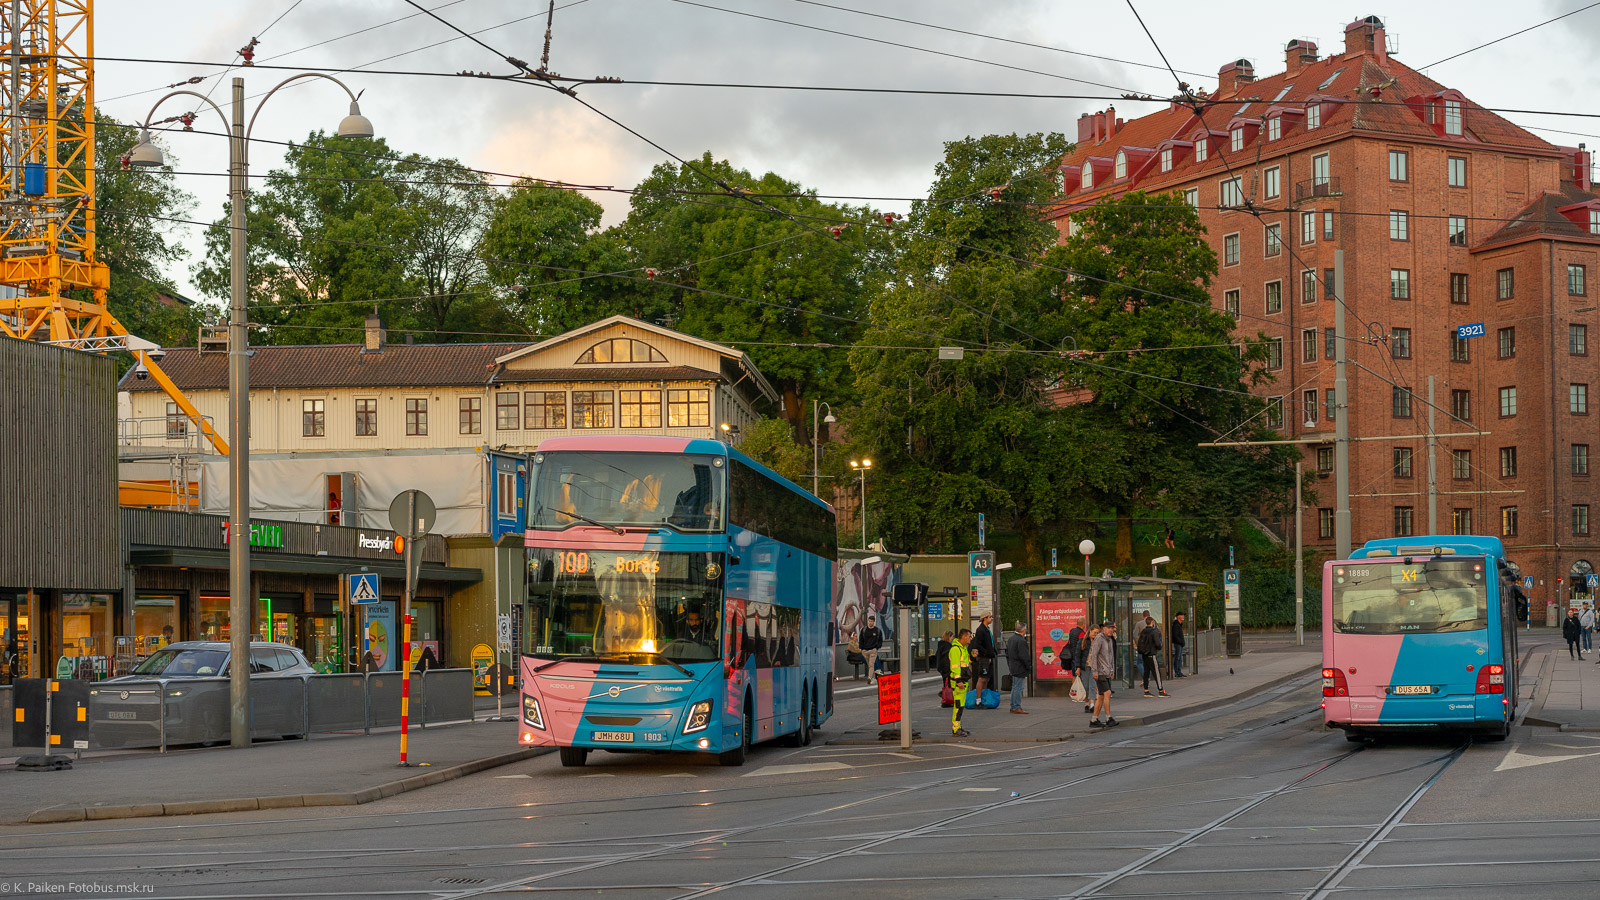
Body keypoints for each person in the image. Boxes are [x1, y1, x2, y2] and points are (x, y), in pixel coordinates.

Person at [1089, 621, 1118, 728]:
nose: (1111, 630)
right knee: (1107, 693)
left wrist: (1112, 670)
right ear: (1104, 629)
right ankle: (1108, 718)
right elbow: (1094, 655)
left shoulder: (1110, 640)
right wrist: (1095, 671)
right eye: (1109, 628)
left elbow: (1111, 656)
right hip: (1100, 672)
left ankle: (1094, 719)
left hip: (1107, 671)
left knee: (1101, 697)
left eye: (1112, 628)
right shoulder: (1099, 639)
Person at [948, 628, 973, 737]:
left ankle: (958, 727)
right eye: (969, 636)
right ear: (964, 637)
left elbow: (966, 662)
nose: (970, 638)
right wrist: (958, 681)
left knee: (961, 706)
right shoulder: (955, 649)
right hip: (959, 682)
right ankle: (955, 728)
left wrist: (973, 656)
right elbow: (955, 667)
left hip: (963, 681)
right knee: (958, 706)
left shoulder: (963, 648)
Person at [1005, 621, 1032, 714]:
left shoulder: (1011, 639)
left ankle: (1013, 705)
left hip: (1013, 666)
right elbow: (1024, 656)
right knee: (1018, 688)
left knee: (1014, 687)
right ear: (1023, 630)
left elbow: (1007, 654)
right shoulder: (1021, 641)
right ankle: (1016, 706)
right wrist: (1028, 666)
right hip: (1020, 667)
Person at [1137, 615, 1168, 697]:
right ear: (1152, 622)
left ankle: (1146, 690)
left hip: (1144, 654)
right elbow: (1157, 643)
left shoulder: (1143, 631)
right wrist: (1159, 648)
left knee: (1146, 672)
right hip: (1151, 653)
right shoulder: (1154, 631)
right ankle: (1161, 690)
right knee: (1156, 672)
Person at [1070, 623, 1097, 713]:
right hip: (1084, 667)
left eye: (1097, 633)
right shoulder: (1083, 641)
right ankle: (1086, 704)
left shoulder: (1098, 641)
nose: (1095, 635)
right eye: (1094, 632)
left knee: (1093, 685)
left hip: (1094, 667)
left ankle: (1092, 704)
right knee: (1085, 686)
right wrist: (1077, 667)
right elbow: (1077, 655)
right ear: (1090, 631)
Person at [971, 614, 997, 699]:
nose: (991, 618)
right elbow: (978, 645)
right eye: (990, 617)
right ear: (985, 618)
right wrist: (986, 652)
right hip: (984, 658)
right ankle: (978, 699)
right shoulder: (980, 630)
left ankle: (984, 697)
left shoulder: (987, 629)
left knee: (987, 678)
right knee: (982, 678)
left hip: (989, 656)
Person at [858, 615, 884, 684]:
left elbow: (880, 641)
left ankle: (869, 677)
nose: (870, 623)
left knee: (871, 664)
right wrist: (861, 649)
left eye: (871, 621)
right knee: (869, 664)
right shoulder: (864, 630)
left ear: (874, 622)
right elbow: (861, 639)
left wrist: (876, 648)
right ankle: (873, 678)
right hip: (865, 651)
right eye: (869, 621)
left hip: (873, 650)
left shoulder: (877, 631)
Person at [935, 630, 954, 706]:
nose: (952, 638)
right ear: (949, 637)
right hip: (946, 668)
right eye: (952, 636)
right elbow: (947, 659)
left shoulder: (941, 645)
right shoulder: (947, 646)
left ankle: (945, 698)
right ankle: (946, 698)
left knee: (946, 683)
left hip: (941, 668)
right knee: (948, 684)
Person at [1170, 612, 1188, 678]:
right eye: (1182, 615)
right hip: (1178, 644)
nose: (1183, 616)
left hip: (1180, 644)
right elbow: (1176, 635)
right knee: (1177, 658)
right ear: (1178, 616)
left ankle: (1179, 671)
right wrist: (1181, 642)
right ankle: (1177, 672)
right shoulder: (1175, 625)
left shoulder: (1179, 624)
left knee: (1179, 658)